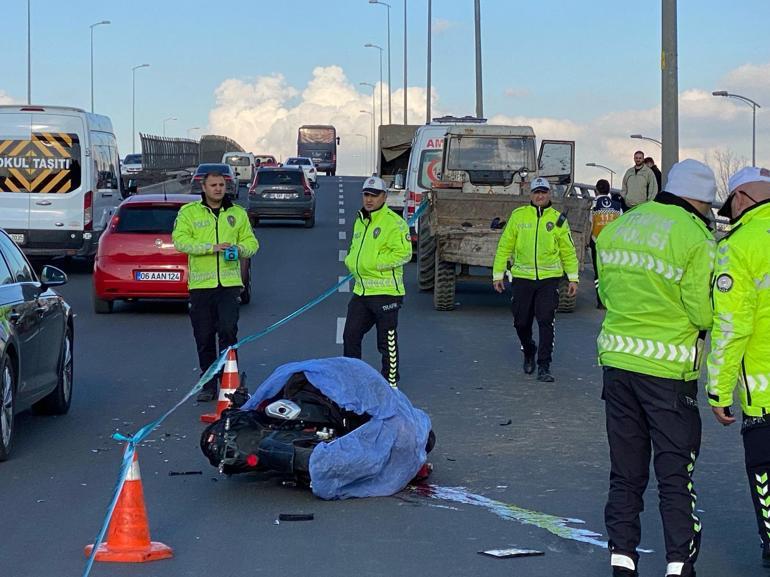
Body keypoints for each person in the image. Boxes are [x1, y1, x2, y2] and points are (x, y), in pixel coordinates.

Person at [596, 159, 717, 577]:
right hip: (668, 374)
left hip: (617, 363)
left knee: (626, 471)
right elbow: (703, 313)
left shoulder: (619, 226)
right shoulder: (695, 236)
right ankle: (678, 565)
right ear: (699, 200)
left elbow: (606, 291)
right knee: (673, 473)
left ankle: (622, 561)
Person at [706, 166, 770, 569]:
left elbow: (731, 328)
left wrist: (718, 390)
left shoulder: (739, 246)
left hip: (764, 394)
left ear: (743, 199)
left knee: (764, 471)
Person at [172, 172, 259, 401]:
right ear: (204, 187)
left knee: (228, 331)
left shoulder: (237, 213)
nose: (218, 189)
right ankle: (208, 383)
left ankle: (229, 382)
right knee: (204, 336)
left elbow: (252, 243)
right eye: (213, 185)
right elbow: (180, 241)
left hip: (229, 285)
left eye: (221, 185)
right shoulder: (189, 212)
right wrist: (211, 247)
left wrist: (239, 249)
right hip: (201, 285)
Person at [492, 177, 579, 382]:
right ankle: (529, 349)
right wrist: (498, 274)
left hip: (549, 279)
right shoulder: (519, 216)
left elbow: (568, 251)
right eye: (536, 192)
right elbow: (505, 246)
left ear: (550, 194)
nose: (540, 196)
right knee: (521, 322)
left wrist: (573, 278)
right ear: (530, 195)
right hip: (522, 278)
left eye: (544, 192)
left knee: (546, 320)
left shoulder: (558, 220)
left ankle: (544, 366)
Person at [343, 176, 411, 388]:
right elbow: (357, 249)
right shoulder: (361, 219)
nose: (369, 200)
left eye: (374, 195)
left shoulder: (394, 223)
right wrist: (352, 262)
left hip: (386, 292)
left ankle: (390, 383)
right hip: (362, 292)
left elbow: (404, 254)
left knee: (386, 341)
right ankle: (354, 379)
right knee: (351, 336)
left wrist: (373, 263)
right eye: (366, 195)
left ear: (384, 196)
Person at [589, 179, 625, 309]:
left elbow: (590, 224)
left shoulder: (593, 206)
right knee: (612, 271)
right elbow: (622, 224)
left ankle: (600, 301)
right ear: (609, 190)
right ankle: (613, 299)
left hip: (597, 242)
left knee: (599, 273)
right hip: (613, 244)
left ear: (596, 190)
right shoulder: (617, 206)